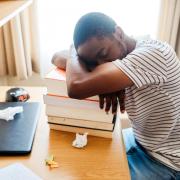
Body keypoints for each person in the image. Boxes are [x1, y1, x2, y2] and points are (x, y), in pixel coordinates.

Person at [52, 12, 180, 179]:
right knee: (73, 163)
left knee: (91, 174)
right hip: (140, 141)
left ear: (118, 33)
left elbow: (76, 87)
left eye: (103, 54)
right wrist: (78, 56)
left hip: (166, 161)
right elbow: (55, 57)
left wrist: (75, 55)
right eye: (92, 63)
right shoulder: (121, 56)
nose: (101, 66)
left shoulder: (154, 54)